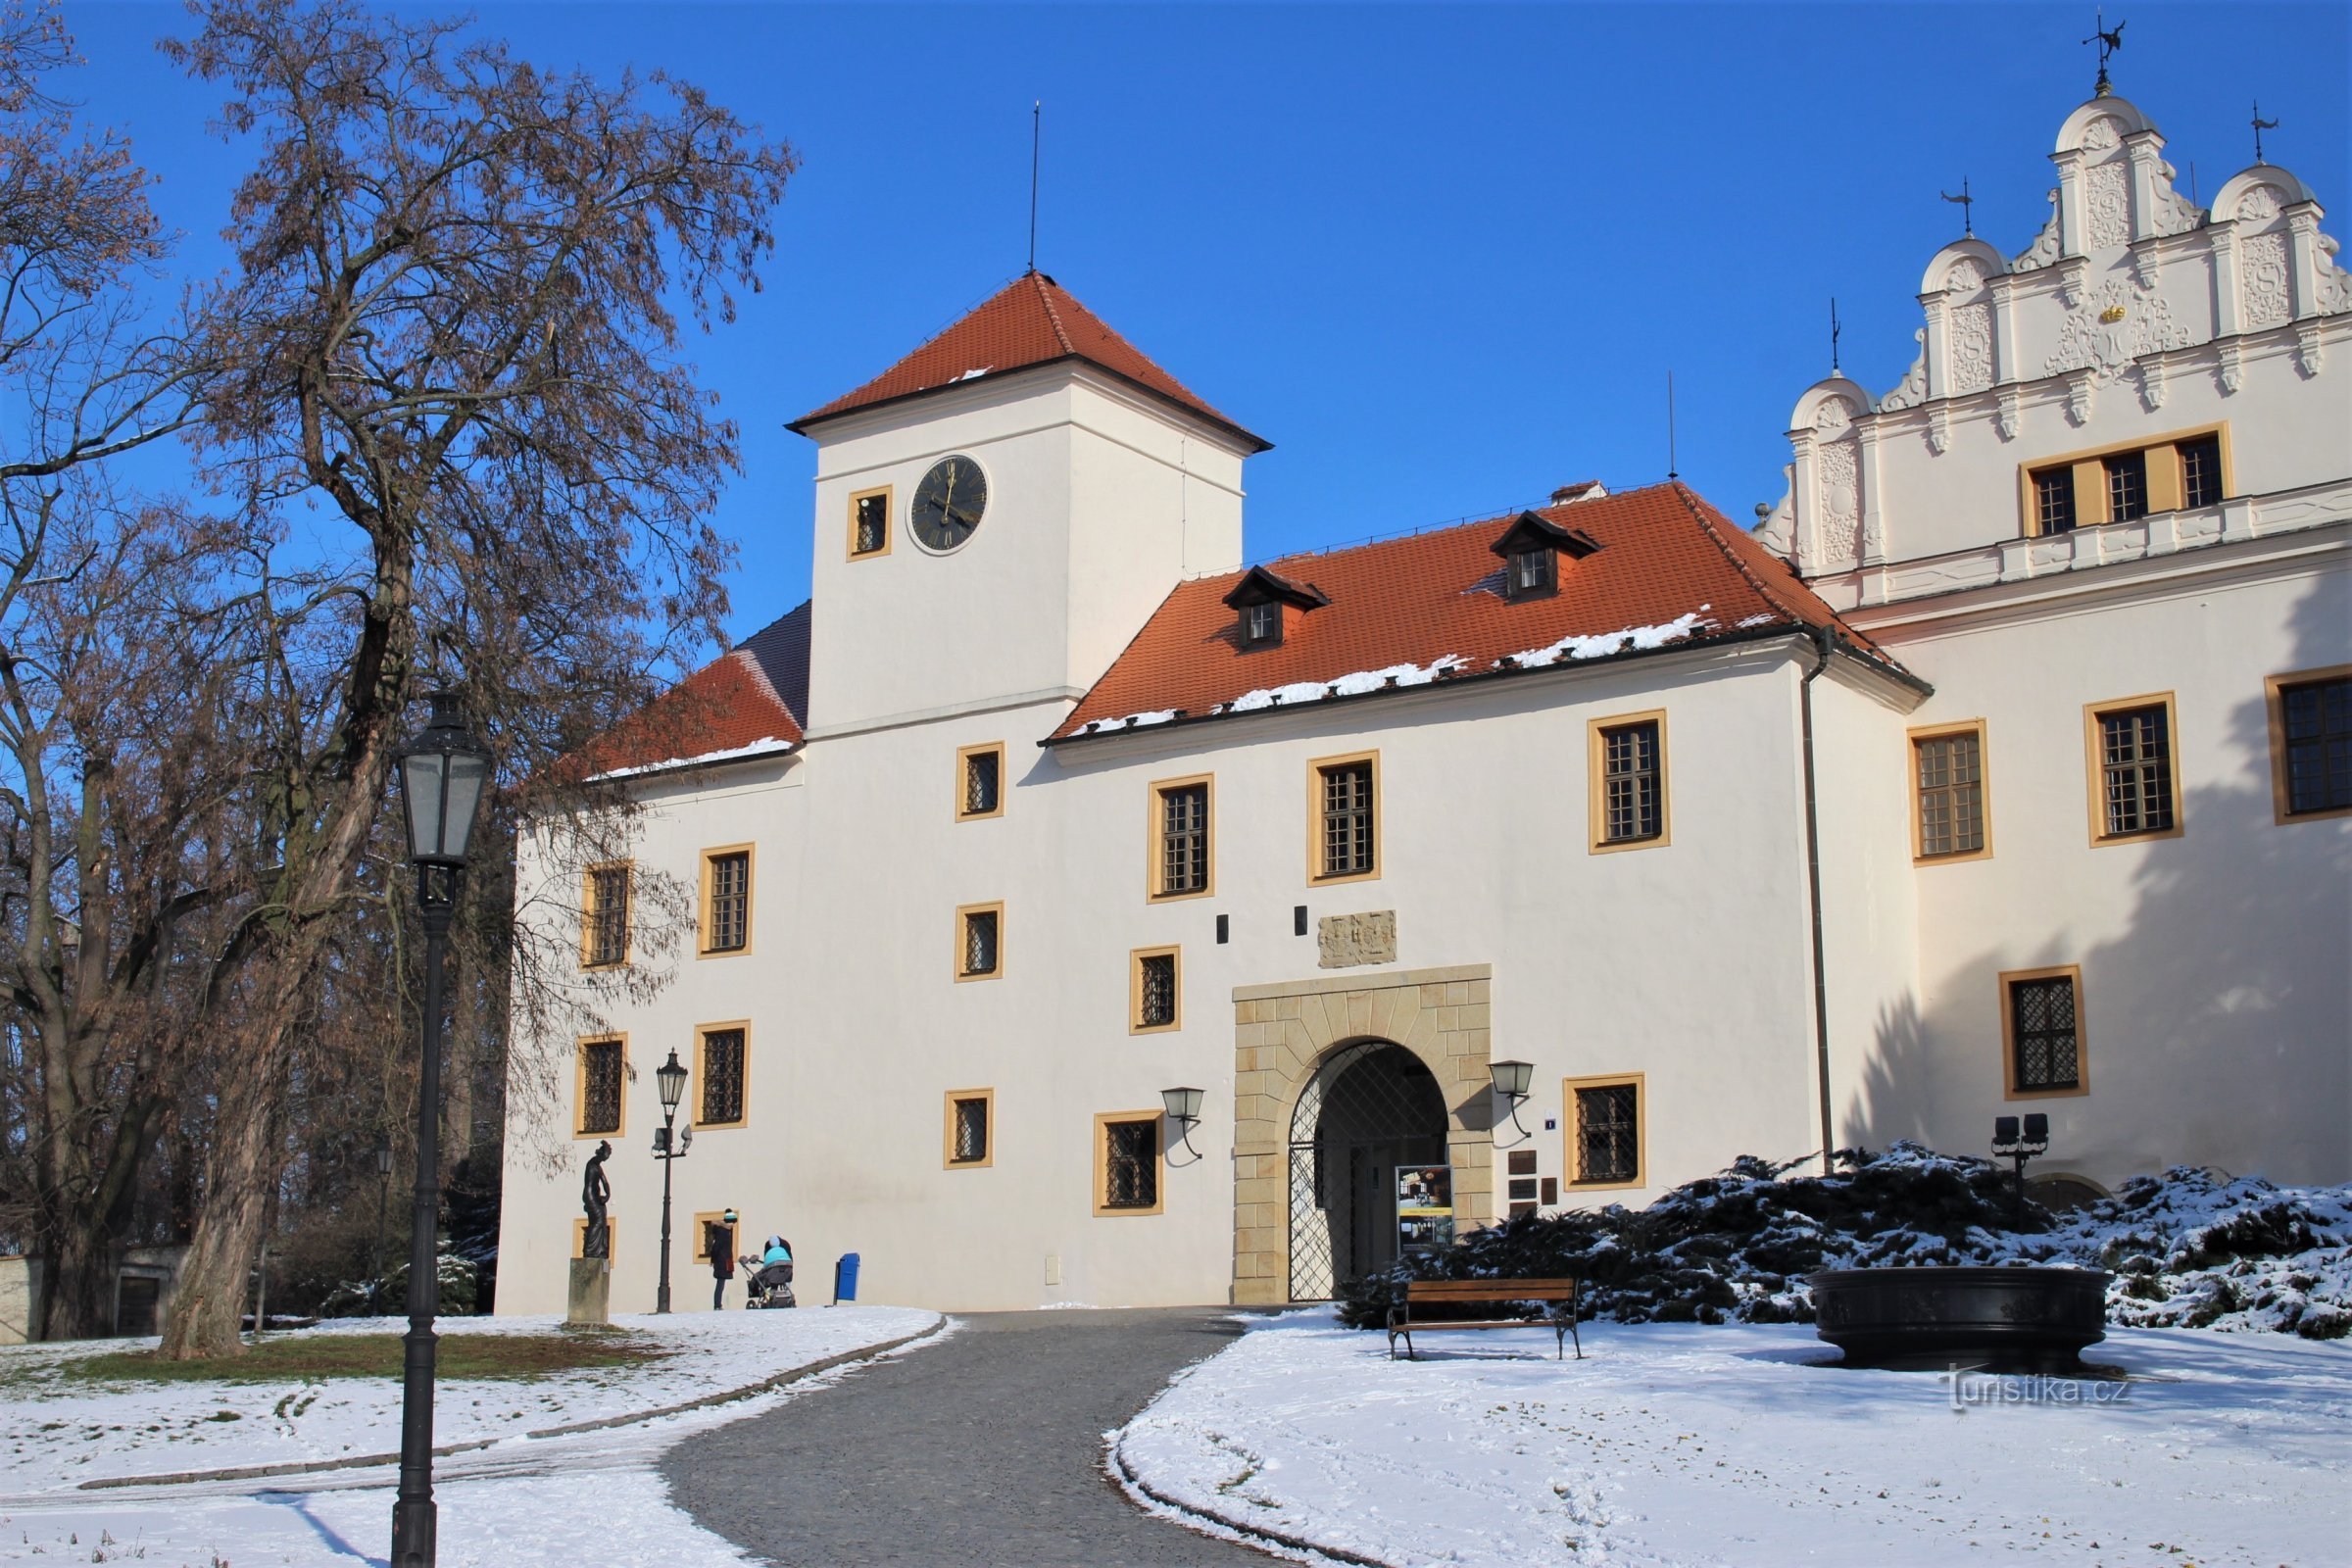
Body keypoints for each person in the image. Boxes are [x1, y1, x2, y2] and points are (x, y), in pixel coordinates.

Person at [708, 1208, 740, 1309]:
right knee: (720, 1283)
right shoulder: (723, 1231)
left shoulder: (725, 1230)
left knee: (721, 1283)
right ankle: (717, 1305)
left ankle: (718, 1304)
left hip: (723, 1259)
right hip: (722, 1260)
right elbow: (716, 1246)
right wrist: (713, 1259)